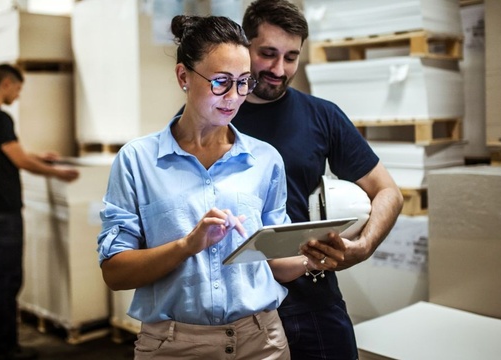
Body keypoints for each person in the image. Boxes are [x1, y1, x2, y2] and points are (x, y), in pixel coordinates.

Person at [97, 15, 333, 360]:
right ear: (183, 76)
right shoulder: (138, 161)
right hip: (173, 345)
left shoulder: (265, 160)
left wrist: (314, 257)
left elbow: (269, 263)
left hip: (262, 341)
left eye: (243, 83)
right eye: (221, 82)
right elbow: (115, 272)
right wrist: (187, 245)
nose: (234, 97)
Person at [234, 1, 405, 359]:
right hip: (237, 311)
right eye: (268, 54)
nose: (279, 69)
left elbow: (387, 191)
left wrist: (363, 247)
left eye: (291, 57)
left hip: (312, 303)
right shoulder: (215, 117)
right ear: (243, 45)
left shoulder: (321, 115)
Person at [0, 63, 79, 360]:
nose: (17, 94)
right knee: (8, 278)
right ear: (5, 84)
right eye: (17, 88)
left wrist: (37, 155)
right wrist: (57, 173)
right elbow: (19, 161)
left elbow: (3, 153)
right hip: (5, 209)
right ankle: (4, 348)